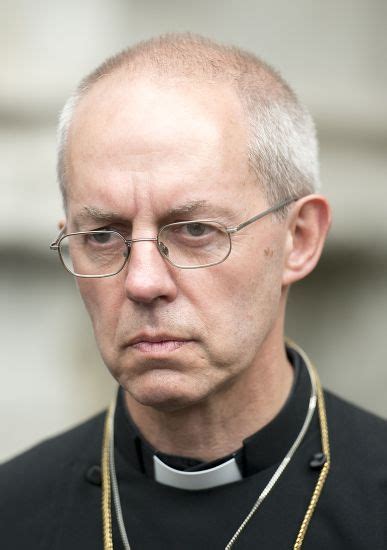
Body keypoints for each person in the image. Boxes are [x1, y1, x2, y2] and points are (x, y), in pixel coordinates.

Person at [1, 33, 386, 550]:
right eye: (103, 236)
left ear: (299, 239)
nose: (142, 281)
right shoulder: (13, 513)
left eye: (196, 230)